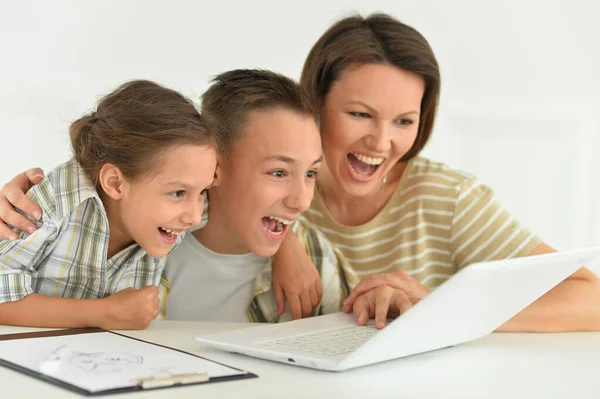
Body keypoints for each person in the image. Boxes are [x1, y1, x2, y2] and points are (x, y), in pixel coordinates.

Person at [4, 13, 600, 331]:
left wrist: (433, 307)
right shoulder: (187, 207)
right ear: (315, 109)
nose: (382, 142)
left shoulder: (443, 199)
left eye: (405, 121)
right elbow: (123, 185)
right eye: (361, 114)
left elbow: (589, 301)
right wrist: (21, 202)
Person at [158, 69, 408, 326]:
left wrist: (377, 309)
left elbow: (347, 336)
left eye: (311, 173)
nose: (301, 201)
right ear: (215, 168)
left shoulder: (314, 255)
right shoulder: (149, 240)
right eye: (278, 173)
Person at [0, 80, 218, 330]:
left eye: (203, 191)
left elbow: (248, 205)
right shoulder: (52, 205)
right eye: (178, 193)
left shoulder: (172, 214)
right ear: (115, 183)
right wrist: (102, 313)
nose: (194, 216)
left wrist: (276, 254)